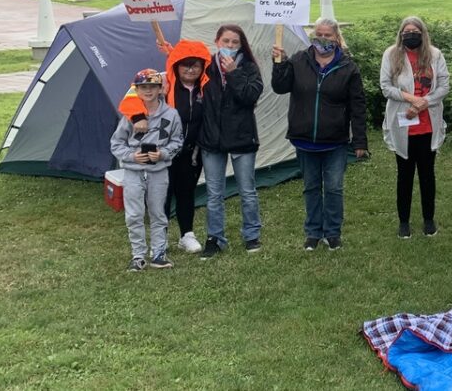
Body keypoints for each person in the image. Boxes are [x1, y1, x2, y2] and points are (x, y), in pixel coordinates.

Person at [272, 17, 369, 251]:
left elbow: (358, 106)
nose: (323, 39)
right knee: (311, 187)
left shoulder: (348, 68)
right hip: (304, 139)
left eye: (328, 35)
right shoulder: (298, 60)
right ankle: (313, 232)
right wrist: (279, 63)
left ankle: (333, 232)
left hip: (335, 140)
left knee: (334, 188)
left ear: (336, 37)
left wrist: (360, 141)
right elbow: (280, 87)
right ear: (313, 35)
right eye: (319, 34)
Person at [119, 40, 211, 254]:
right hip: (161, 152)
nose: (190, 69)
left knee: (186, 192)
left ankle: (186, 235)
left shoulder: (206, 86)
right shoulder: (163, 81)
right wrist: (138, 116)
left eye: (195, 65)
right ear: (176, 65)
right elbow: (133, 95)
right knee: (161, 195)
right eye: (185, 64)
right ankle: (160, 240)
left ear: (202, 67)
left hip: (190, 152)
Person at [380, 17, 450, 239]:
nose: (410, 34)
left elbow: (443, 86)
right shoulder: (391, 55)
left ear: (422, 33)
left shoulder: (435, 55)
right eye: (406, 31)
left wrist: (423, 104)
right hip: (403, 125)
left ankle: (429, 219)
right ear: (401, 34)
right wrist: (411, 99)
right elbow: (385, 87)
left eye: (415, 31)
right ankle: (404, 222)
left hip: (428, 126)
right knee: (405, 175)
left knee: (427, 175)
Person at [199, 24, 264, 259]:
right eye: (226, 41)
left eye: (235, 42)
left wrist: (235, 72)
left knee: (247, 190)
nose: (230, 46)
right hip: (212, 139)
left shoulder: (248, 67)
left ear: (241, 45)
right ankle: (215, 238)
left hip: (242, 138)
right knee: (214, 193)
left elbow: (251, 96)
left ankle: (252, 235)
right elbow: (184, 78)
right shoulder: (205, 66)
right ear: (217, 41)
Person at [110, 69, 183, 271]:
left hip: (159, 171)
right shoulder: (130, 115)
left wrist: (164, 153)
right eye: (143, 87)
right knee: (134, 214)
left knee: (158, 212)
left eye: (153, 86)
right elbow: (116, 144)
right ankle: (138, 255)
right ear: (137, 90)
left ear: (161, 89)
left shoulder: (171, 114)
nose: (148, 91)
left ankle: (159, 253)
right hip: (134, 171)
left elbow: (177, 141)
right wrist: (132, 156)